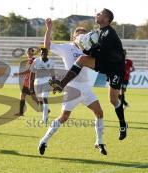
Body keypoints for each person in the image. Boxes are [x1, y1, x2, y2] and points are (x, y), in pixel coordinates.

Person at [49, 8, 128, 140]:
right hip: (104, 63)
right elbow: (97, 51)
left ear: (107, 19)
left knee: (113, 100)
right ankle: (62, 84)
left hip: (115, 68)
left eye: (100, 13)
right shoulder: (99, 32)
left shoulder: (109, 33)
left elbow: (100, 53)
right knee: (81, 60)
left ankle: (123, 124)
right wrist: (84, 46)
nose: (97, 14)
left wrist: (86, 48)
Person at [38, 20, 107, 155]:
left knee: (99, 113)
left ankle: (99, 142)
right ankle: (44, 140)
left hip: (86, 88)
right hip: (72, 88)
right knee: (64, 117)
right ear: (74, 37)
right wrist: (49, 28)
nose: (82, 37)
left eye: (84, 35)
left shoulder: (87, 49)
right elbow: (47, 45)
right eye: (79, 34)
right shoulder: (66, 48)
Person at [30, 48, 55, 123]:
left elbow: (53, 74)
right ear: (40, 53)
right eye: (42, 53)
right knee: (40, 101)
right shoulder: (36, 61)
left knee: (45, 98)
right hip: (37, 82)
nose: (43, 54)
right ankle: (45, 113)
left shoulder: (51, 62)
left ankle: (44, 118)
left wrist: (54, 85)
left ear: (47, 53)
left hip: (47, 81)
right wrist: (30, 86)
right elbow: (32, 74)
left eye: (45, 53)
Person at [13, 47, 39, 116]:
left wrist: (19, 74)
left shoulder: (32, 60)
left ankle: (45, 108)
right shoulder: (31, 59)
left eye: (30, 52)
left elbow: (29, 71)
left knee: (33, 97)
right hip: (27, 80)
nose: (28, 53)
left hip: (30, 81)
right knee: (23, 95)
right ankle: (21, 112)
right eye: (28, 52)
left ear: (32, 53)